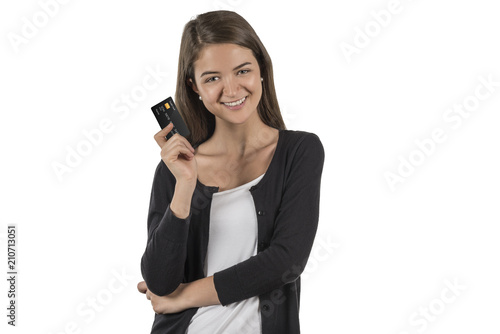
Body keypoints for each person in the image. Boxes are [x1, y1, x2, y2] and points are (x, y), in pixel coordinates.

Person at [137, 10, 325, 334]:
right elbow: (159, 280)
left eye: (242, 71)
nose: (232, 89)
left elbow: (286, 261)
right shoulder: (176, 168)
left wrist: (184, 297)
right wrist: (184, 186)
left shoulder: (299, 152)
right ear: (193, 86)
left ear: (262, 70)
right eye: (212, 78)